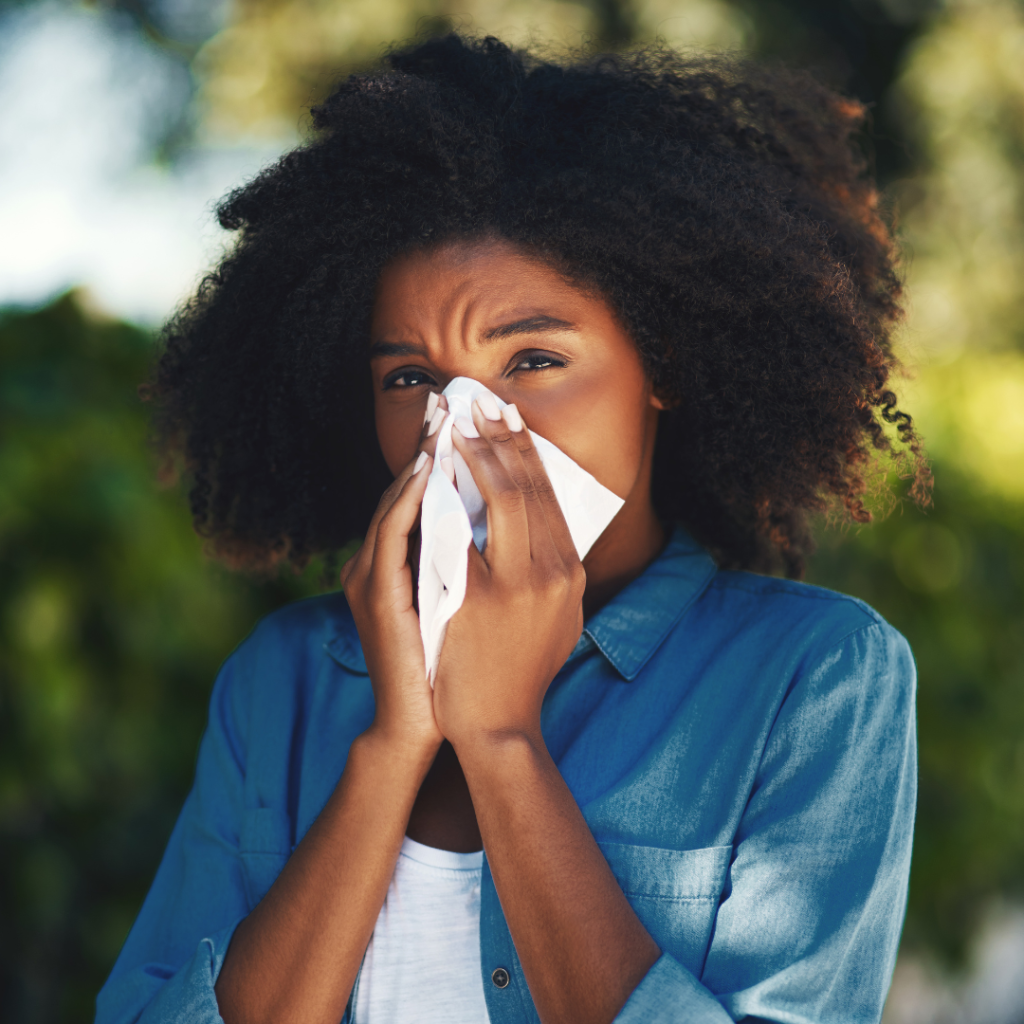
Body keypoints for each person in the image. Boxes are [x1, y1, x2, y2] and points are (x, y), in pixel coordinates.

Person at [96, 33, 928, 1024]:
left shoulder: (815, 675)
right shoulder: (285, 679)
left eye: (532, 359)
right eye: (410, 379)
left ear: (659, 363)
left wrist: (499, 740)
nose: (465, 422)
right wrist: (392, 745)